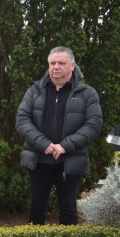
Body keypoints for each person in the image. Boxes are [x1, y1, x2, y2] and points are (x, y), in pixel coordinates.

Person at [16, 46, 102, 225]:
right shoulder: (34, 91)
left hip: (69, 161)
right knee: (36, 207)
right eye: (52, 63)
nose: (56, 67)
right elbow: (22, 120)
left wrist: (64, 146)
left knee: (68, 209)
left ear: (72, 65)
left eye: (61, 63)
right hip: (39, 159)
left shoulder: (87, 93)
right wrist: (44, 145)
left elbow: (93, 126)